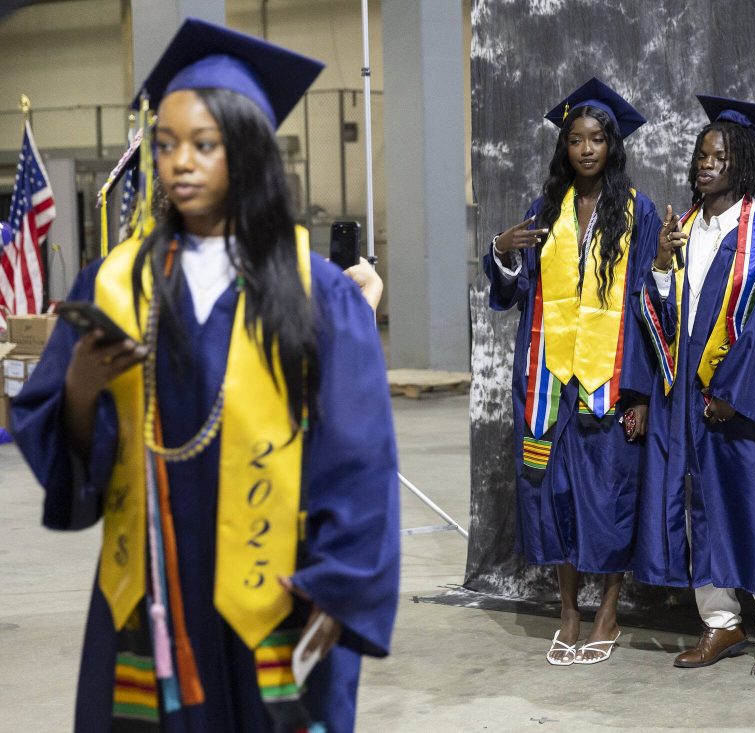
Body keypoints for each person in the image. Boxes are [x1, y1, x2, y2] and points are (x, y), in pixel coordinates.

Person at [11, 18, 399, 732]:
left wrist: (337, 589)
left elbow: (360, 458)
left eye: (202, 144)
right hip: (148, 586)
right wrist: (81, 386)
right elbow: (62, 449)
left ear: (246, 152)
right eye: (164, 145)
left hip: (275, 591)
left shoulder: (317, 292)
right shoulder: (113, 284)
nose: (178, 162)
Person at [483, 78, 659, 666]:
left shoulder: (640, 211)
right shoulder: (544, 210)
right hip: (547, 382)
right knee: (554, 495)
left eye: (597, 139)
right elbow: (513, 294)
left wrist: (639, 393)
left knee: (607, 496)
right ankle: (568, 611)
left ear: (613, 146)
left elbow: (649, 301)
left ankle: (607, 612)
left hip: (610, 380)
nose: (586, 148)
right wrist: (503, 251)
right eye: (576, 139)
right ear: (565, 148)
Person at [633, 96, 755, 678]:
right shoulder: (681, 230)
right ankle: (721, 624)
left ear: (745, 164)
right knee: (696, 506)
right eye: (702, 154)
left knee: (750, 507)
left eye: (720, 156)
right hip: (683, 398)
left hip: (737, 402)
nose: (706, 164)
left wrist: (733, 389)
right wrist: (658, 263)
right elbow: (660, 312)